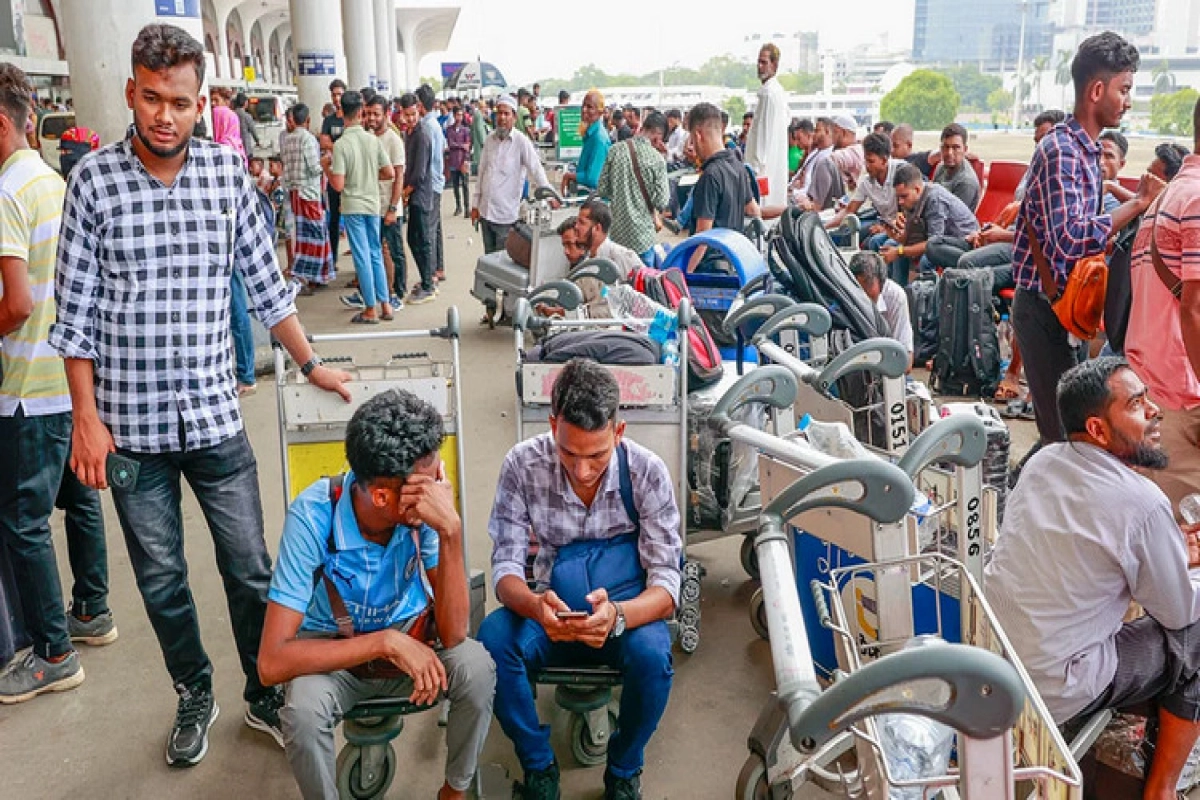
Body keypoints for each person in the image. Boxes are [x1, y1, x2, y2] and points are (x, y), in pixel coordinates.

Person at [49, 23, 353, 767]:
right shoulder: (92, 182)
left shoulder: (227, 176)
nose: (165, 115)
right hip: (128, 432)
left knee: (250, 565)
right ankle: (194, 691)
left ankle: (262, 690)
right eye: (151, 98)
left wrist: (311, 364)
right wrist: (84, 421)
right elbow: (75, 317)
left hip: (216, 419)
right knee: (160, 581)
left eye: (180, 102)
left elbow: (266, 287)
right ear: (130, 92)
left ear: (201, 102)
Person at [258, 389, 495, 800]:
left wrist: (451, 531)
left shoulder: (428, 515)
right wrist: (385, 642)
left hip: (416, 648)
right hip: (337, 659)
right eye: (429, 485)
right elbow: (272, 662)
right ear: (383, 496)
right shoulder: (313, 516)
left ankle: (455, 791)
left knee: (476, 667)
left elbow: (455, 635)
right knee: (302, 710)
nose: (439, 492)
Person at [985, 357, 1200, 800]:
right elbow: (1178, 614)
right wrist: (1180, 567)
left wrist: (1168, 550)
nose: (1155, 411)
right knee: (1196, 632)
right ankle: (1162, 789)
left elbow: (1080, 550)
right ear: (1099, 429)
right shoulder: (1142, 502)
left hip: (1000, 660)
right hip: (1061, 683)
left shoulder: (1044, 461)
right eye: (1138, 404)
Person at [478, 358, 681, 800]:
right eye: (569, 452)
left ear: (619, 432)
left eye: (597, 455)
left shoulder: (647, 472)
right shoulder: (521, 465)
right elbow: (506, 569)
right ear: (553, 425)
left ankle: (624, 769)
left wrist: (618, 616)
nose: (582, 470)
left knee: (654, 658)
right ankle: (538, 763)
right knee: (492, 643)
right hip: (549, 609)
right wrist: (535, 606)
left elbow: (666, 584)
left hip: (623, 611)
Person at [0, 62, 115, 705]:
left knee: (23, 520)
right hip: (69, 380)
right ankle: (91, 610)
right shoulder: (51, 181)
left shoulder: (4, 192)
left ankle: (51, 651)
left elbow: (15, 302)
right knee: (80, 498)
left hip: (24, 385)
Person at [1011, 31, 1162, 451]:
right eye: (1124, 89)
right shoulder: (1062, 151)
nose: (1128, 100)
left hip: (1065, 308)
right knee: (1063, 438)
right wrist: (1137, 205)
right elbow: (1069, 240)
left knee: (1073, 432)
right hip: (1046, 309)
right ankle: (1023, 508)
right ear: (1097, 90)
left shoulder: (1086, 151)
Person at [1124, 97, 1200, 516]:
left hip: (1151, 385)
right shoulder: (1196, 201)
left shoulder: (1166, 199)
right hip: (1183, 403)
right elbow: (1193, 310)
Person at [327, 91, 394, 325]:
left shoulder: (341, 145)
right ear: (361, 112)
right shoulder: (372, 140)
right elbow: (389, 173)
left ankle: (370, 308)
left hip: (353, 204)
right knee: (375, 252)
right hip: (373, 203)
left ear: (341, 112)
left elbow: (338, 184)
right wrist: (368, 176)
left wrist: (327, 167)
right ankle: (385, 304)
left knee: (362, 256)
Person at [471, 94, 552, 255]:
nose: (502, 117)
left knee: (502, 264)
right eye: (499, 113)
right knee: (489, 260)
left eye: (506, 114)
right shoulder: (489, 140)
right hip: (486, 213)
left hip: (505, 216)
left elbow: (536, 169)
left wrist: (550, 195)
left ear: (514, 117)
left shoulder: (521, 142)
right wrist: (475, 205)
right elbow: (482, 173)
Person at [685, 102, 760, 272]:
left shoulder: (710, 175)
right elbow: (754, 210)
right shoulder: (738, 166)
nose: (692, 146)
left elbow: (703, 238)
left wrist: (684, 275)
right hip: (732, 261)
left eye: (691, 139)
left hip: (710, 269)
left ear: (698, 135)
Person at [879, 162, 979, 286]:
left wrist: (899, 251)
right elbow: (910, 238)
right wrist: (895, 236)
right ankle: (899, 292)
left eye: (904, 196)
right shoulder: (912, 200)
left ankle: (925, 298)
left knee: (926, 260)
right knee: (890, 245)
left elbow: (932, 245)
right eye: (898, 197)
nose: (900, 202)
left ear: (917, 189)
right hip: (938, 240)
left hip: (963, 244)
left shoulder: (934, 199)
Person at [597, 110, 670, 266]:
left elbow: (602, 189)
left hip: (617, 236)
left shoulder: (615, 150)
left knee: (618, 284)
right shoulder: (657, 160)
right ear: (658, 137)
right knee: (643, 285)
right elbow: (662, 201)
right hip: (642, 238)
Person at [282, 103, 335, 293]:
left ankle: (306, 275)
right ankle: (313, 276)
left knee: (303, 238)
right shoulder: (308, 139)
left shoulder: (287, 139)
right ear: (308, 120)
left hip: (294, 193)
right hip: (309, 194)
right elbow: (314, 168)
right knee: (317, 235)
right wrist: (326, 161)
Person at [360, 94, 406, 311]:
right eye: (368, 113)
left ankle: (398, 293)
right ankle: (379, 293)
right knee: (376, 252)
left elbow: (398, 177)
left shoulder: (393, 140)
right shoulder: (368, 137)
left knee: (394, 252)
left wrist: (393, 208)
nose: (371, 118)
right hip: (371, 206)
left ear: (386, 114)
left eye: (376, 114)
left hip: (389, 207)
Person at [824, 132, 902, 248]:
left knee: (872, 242)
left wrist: (887, 229)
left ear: (884, 161)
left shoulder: (901, 173)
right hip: (884, 222)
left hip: (902, 226)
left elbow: (909, 211)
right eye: (865, 160)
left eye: (871, 161)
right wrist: (825, 227)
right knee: (843, 235)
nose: (867, 165)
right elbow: (849, 210)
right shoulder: (867, 180)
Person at [401, 93, 437, 305]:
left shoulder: (422, 135)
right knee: (415, 239)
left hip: (420, 195)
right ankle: (426, 279)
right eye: (407, 114)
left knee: (421, 240)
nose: (410, 118)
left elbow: (420, 172)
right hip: (413, 194)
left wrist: (406, 192)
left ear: (419, 110)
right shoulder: (410, 134)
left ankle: (428, 284)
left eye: (413, 114)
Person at [849, 252, 913, 369]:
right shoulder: (846, 295)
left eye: (869, 283)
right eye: (857, 286)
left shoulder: (896, 297)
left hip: (887, 368)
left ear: (881, 281)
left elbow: (906, 361)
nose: (863, 292)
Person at [744, 44, 789, 208]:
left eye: (764, 62)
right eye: (758, 62)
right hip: (771, 168)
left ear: (774, 65)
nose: (759, 66)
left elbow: (763, 137)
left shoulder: (769, 94)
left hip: (762, 170)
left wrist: (753, 171)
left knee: (761, 212)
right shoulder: (777, 92)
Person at [417, 85, 447, 284]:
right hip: (437, 180)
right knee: (435, 228)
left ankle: (431, 274)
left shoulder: (427, 126)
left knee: (428, 230)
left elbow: (425, 160)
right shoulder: (434, 124)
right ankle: (438, 268)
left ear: (419, 105)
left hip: (430, 183)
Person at [574, 199, 645, 279]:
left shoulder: (622, 256)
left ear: (597, 228)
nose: (576, 227)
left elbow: (645, 285)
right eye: (577, 222)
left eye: (582, 223)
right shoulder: (585, 262)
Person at [320, 79, 347, 266]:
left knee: (352, 219)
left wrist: (335, 145)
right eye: (334, 94)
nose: (337, 98)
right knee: (333, 221)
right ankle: (333, 259)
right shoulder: (329, 120)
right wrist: (342, 145)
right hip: (333, 173)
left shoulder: (351, 117)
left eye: (339, 94)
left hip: (349, 176)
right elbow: (323, 142)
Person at [563, 90, 610, 195]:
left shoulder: (599, 139)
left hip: (594, 204)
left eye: (590, 107)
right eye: (583, 106)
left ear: (600, 112)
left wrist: (569, 176)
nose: (584, 110)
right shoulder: (591, 134)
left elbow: (593, 178)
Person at [932, 123, 980, 211]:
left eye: (956, 147)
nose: (949, 153)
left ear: (965, 150)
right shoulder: (941, 167)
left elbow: (951, 218)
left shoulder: (966, 182)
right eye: (946, 147)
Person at [445, 105, 471, 216]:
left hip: (463, 160)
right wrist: (462, 145)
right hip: (454, 160)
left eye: (461, 115)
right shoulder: (449, 129)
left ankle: (466, 208)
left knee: (465, 185)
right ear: (454, 115)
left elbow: (468, 145)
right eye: (457, 115)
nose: (459, 117)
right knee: (455, 185)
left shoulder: (465, 130)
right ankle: (458, 206)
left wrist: (462, 148)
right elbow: (451, 143)